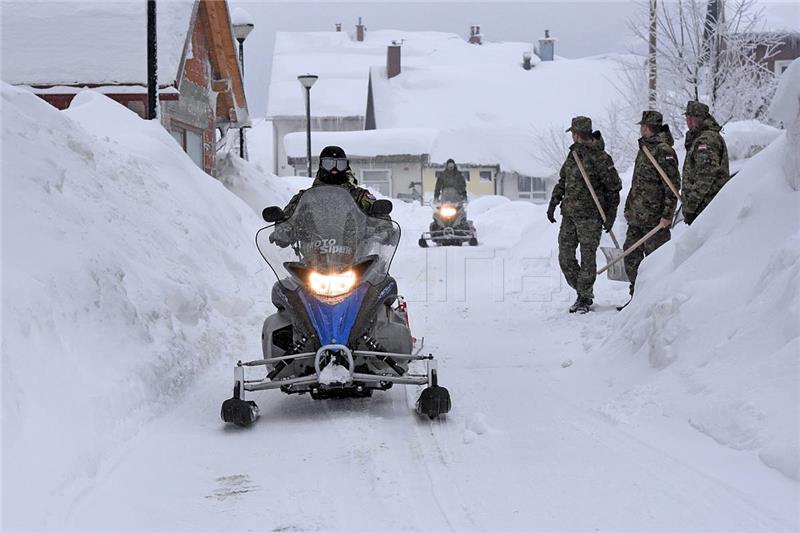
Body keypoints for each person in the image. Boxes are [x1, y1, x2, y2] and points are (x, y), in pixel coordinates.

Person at [547, 116, 622, 314]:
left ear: (579, 134)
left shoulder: (600, 157)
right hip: (569, 215)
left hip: (590, 217)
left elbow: (614, 188)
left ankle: (585, 296)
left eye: (573, 133)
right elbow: (563, 180)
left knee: (588, 257)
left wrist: (610, 215)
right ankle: (582, 289)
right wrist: (553, 202)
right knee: (565, 256)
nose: (572, 136)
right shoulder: (573, 156)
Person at [623, 110, 681, 298]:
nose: (640, 129)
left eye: (642, 126)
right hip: (637, 217)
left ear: (647, 127)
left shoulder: (663, 151)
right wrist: (628, 207)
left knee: (655, 262)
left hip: (655, 219)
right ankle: (636, 298)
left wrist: (667, 215)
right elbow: (637, 182)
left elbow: (672, 186)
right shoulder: (644, 149)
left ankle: (653, 299)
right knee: (631, 257)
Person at [281, 145, 380, 219]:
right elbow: (287, 218)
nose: (334, 169)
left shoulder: (359, 196)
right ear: (321, 165)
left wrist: (383, 228)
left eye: (339, 164)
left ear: (346, 166)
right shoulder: (305, 197)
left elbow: (380, 214)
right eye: (329, 163)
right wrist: (283, 230)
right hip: (312, 245)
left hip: (353, 246)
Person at [682, 101, 730, 225]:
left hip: (706, 208)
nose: (687, 122)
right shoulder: (703, 137)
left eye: (688, 118)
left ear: (693, 119)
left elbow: (705, 176)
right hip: (705, 207)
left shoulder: (706, 140)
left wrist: (691, 207)